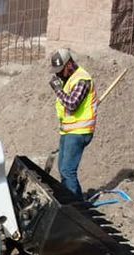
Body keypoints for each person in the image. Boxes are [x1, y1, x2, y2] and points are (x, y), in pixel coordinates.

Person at [49, 48, 97, 200]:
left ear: (69, 64)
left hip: (79, 132)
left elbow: (72, 104)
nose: (58, 74)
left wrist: (57, 89)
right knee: (63, 170)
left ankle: (76, 208)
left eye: (60, 70)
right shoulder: (69, 79)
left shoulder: (82, 79)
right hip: (69, 131)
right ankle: (73, 201)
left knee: (68, 170)